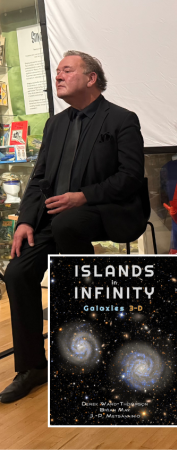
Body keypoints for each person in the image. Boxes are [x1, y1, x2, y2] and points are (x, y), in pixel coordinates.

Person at [1, 51, 146, 403]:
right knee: (17, 272)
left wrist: (84, 197)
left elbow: (129, 179)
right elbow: (38, 180)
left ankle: (87, 335)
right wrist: (24, 221)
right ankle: (33, 367)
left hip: (106, 210)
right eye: (57, 71)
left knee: (69, 222)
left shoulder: (122, 119)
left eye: (67, 70)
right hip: (58, 217)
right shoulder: (55, 124)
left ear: (91, 78)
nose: (58, 75)